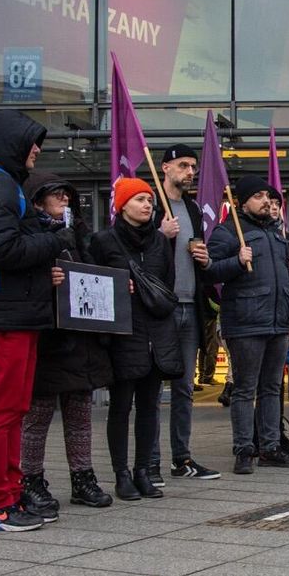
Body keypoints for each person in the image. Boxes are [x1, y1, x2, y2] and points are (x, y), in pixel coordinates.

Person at [0, 111, 72, 531]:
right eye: (31, 142)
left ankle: (8, 497)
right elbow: (1, 248)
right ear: (12, 142)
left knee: (13, 408)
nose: (36, 150)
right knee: (1, 410)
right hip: (4, 313)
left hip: (15, 312)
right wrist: (53, 240)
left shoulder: (2, 183)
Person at [18, 173, 115, 516]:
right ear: (37, 200)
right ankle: (30, 481)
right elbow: (18, 277)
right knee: (38, 414)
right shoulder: (29, 233)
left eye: (67, 195)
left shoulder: (80, 234)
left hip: (81, 338)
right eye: (56, 194)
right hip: (47, 337)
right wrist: (46, 279)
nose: (64, 199)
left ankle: (83, 479)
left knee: (79, 413)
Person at [90, 179, 183, 500]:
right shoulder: (103, 241)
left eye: (149, 200)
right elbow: (93, 285)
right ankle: (122, 474)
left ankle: (144, 471)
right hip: (123, 334)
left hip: (156, 335)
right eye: (140, 199)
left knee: (149, 407)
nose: (147, 205)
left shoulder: (159, 241)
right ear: (123, 204)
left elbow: (167, 282)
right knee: (120, 407)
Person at [207, 175, 289, 474]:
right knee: (245, 389)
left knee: (272, 389)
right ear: (243, 201)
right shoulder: (227, 232)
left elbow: (287, 282)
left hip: (277, 323)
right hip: (246, 323)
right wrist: (236, 261)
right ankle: (244, 450)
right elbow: (209, 273)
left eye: (269, 196)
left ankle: (271, 447)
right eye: (259, 196)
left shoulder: (278, 234)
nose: (266, 201)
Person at [149, 144, 219, 485]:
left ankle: (182, 457)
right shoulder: (150, 205)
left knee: (184, 388)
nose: (190, 172)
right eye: (182, 165)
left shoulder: (192, 209)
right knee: (150, 387)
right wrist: (159, 236)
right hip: (159, 307)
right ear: (165, 168)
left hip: (190, 306)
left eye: (193, 166)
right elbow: (132, 249)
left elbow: (194, 251)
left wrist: (203, 258)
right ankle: (149, 461)